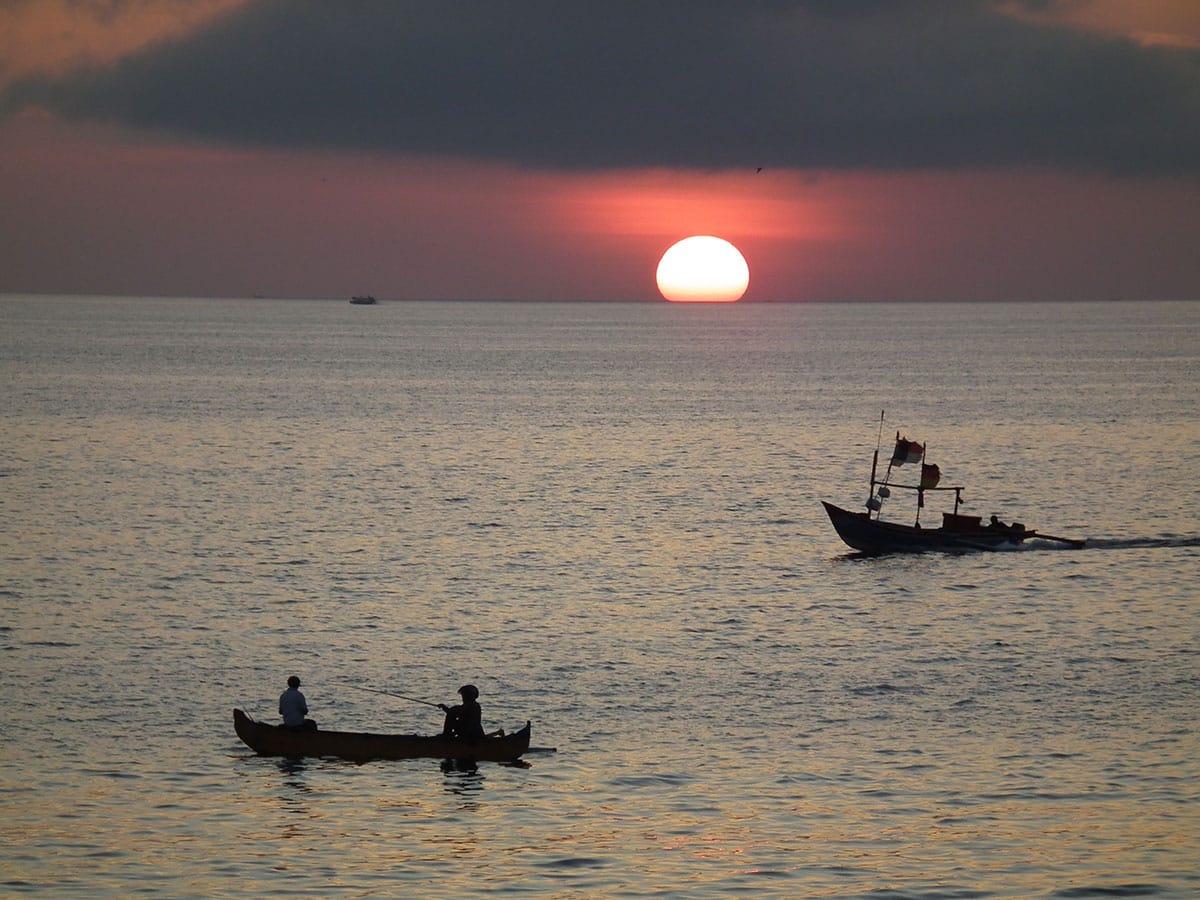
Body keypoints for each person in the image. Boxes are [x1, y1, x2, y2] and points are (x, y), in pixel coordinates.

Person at [438, 684, 502, 740]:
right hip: (469, 733)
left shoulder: (473, 706)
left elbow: (455, 712)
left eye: (464, 695)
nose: (463, 698)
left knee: (452, 712)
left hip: (472, 735)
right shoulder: (467, 706)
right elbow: (454, 712)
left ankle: (446, 735)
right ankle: (447, 735)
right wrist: (445, 708)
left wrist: (447, 709)